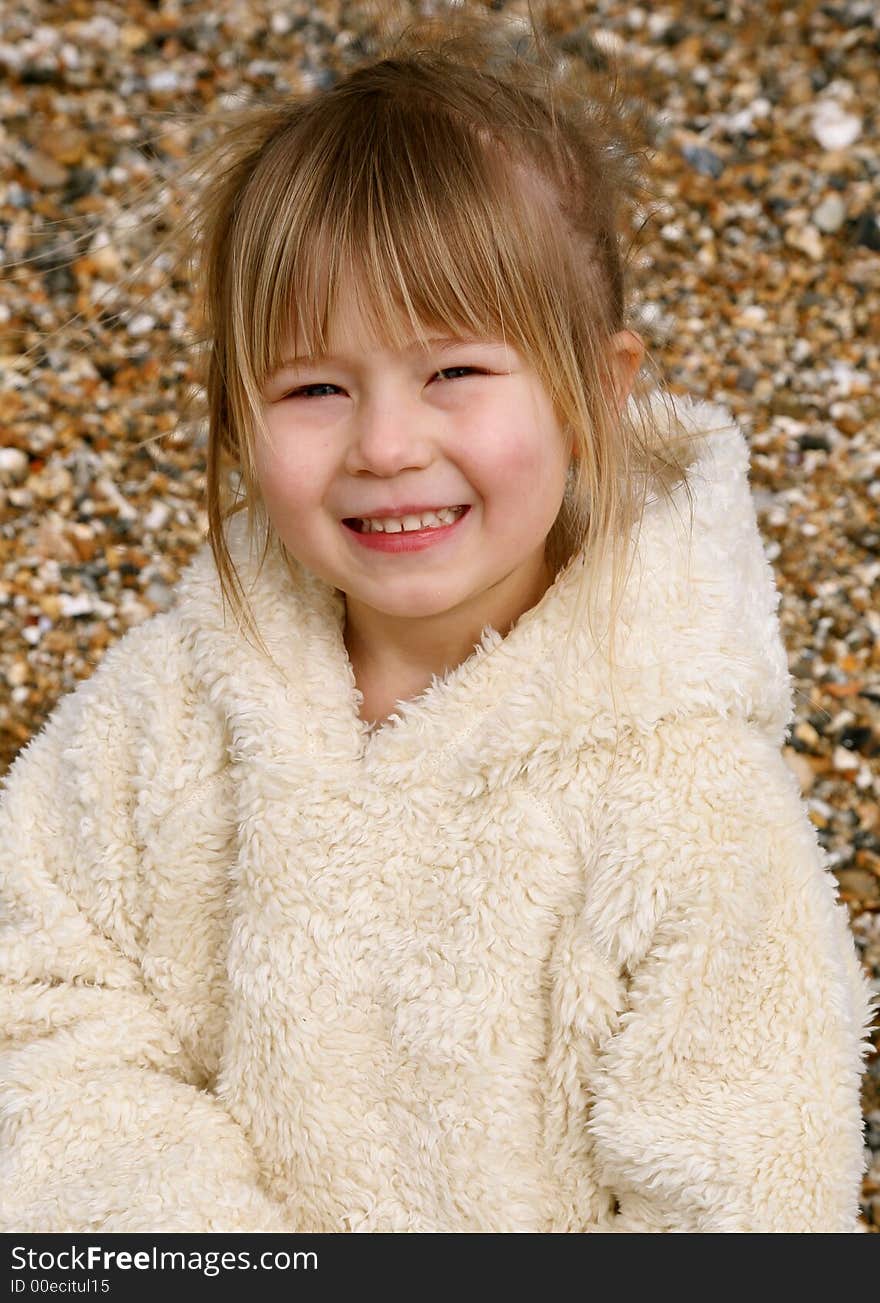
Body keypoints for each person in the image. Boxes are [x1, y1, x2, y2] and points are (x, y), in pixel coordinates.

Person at [0, 8, 875, 1234]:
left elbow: (747, 1192)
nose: (387, 445)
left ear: (592, 395)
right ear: (240, 418)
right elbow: (38, 1005)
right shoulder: (181, 699)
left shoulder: (688, 794)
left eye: (453, 371)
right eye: (314, 386)